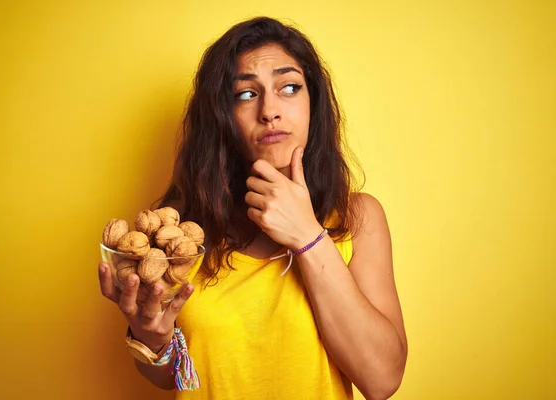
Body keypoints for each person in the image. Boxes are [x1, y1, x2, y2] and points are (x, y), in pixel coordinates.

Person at [98, 16, 407, 400]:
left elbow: (383, 380)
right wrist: (151, 340)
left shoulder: (356, 218)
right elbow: (179, 376)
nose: (270, 111)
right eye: (246, 94)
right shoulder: (180, 231)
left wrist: (308, 235)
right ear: (221, 117)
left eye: (289, 87)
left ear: (314, 103)